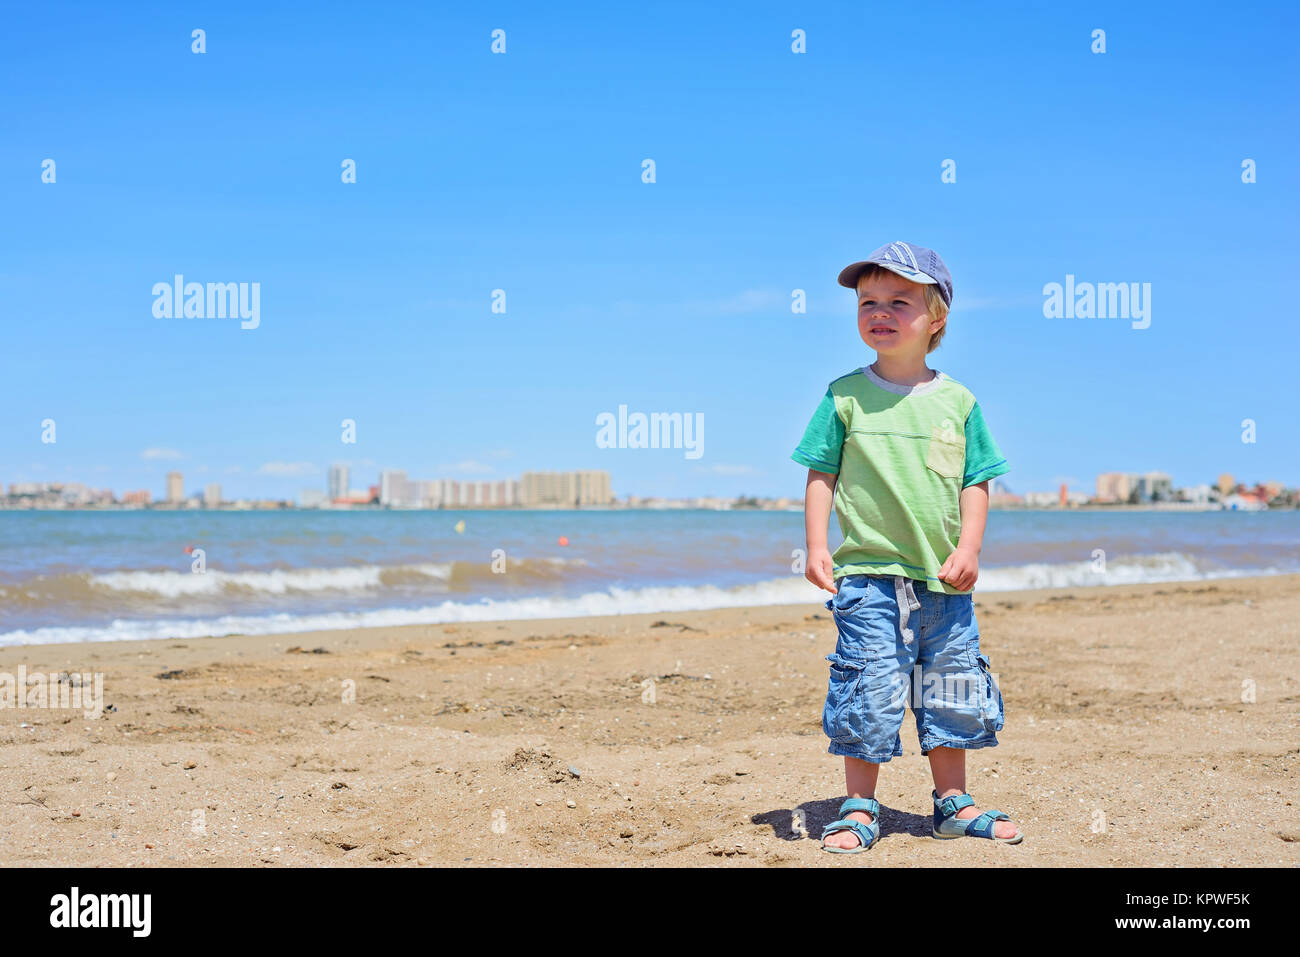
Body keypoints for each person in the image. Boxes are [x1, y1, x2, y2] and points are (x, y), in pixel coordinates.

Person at [791, 241, 1022, 852]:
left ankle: (952, 803)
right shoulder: (844, 395)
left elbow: (977, 481)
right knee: (868, 685)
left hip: (944, 580)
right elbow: (821, 473)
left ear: (936, 316)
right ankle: (860, 805)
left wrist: (970, 548)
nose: (880, 312)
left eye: (899, 301)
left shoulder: (959, 401)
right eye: (869, 301)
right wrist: (817, 545)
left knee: (950, 685)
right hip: (867, 574)